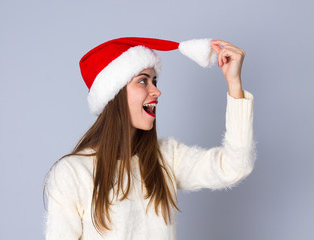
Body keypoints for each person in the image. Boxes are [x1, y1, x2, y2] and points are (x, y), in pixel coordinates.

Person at [43, 37, 256, 240]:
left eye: (154, 80)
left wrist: (234, 83)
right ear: (114, 93)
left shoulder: (166, 158)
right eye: (143, 81)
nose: (156, 91)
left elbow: (234, 166)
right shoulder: (71, 173)